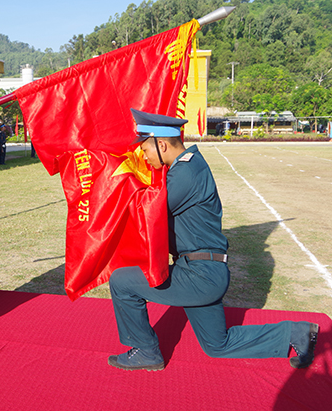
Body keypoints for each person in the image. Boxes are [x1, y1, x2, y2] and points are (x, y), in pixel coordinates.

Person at [108, 108, 319, 372]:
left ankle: (146, 351)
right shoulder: (188, 166)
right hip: (202, 270)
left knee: (121, 281)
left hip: (200, 274)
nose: (144, 156)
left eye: (145, 149)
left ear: (161, 144)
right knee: (217, 345)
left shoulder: (185, 172)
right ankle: (295, 333)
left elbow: (147, 213)